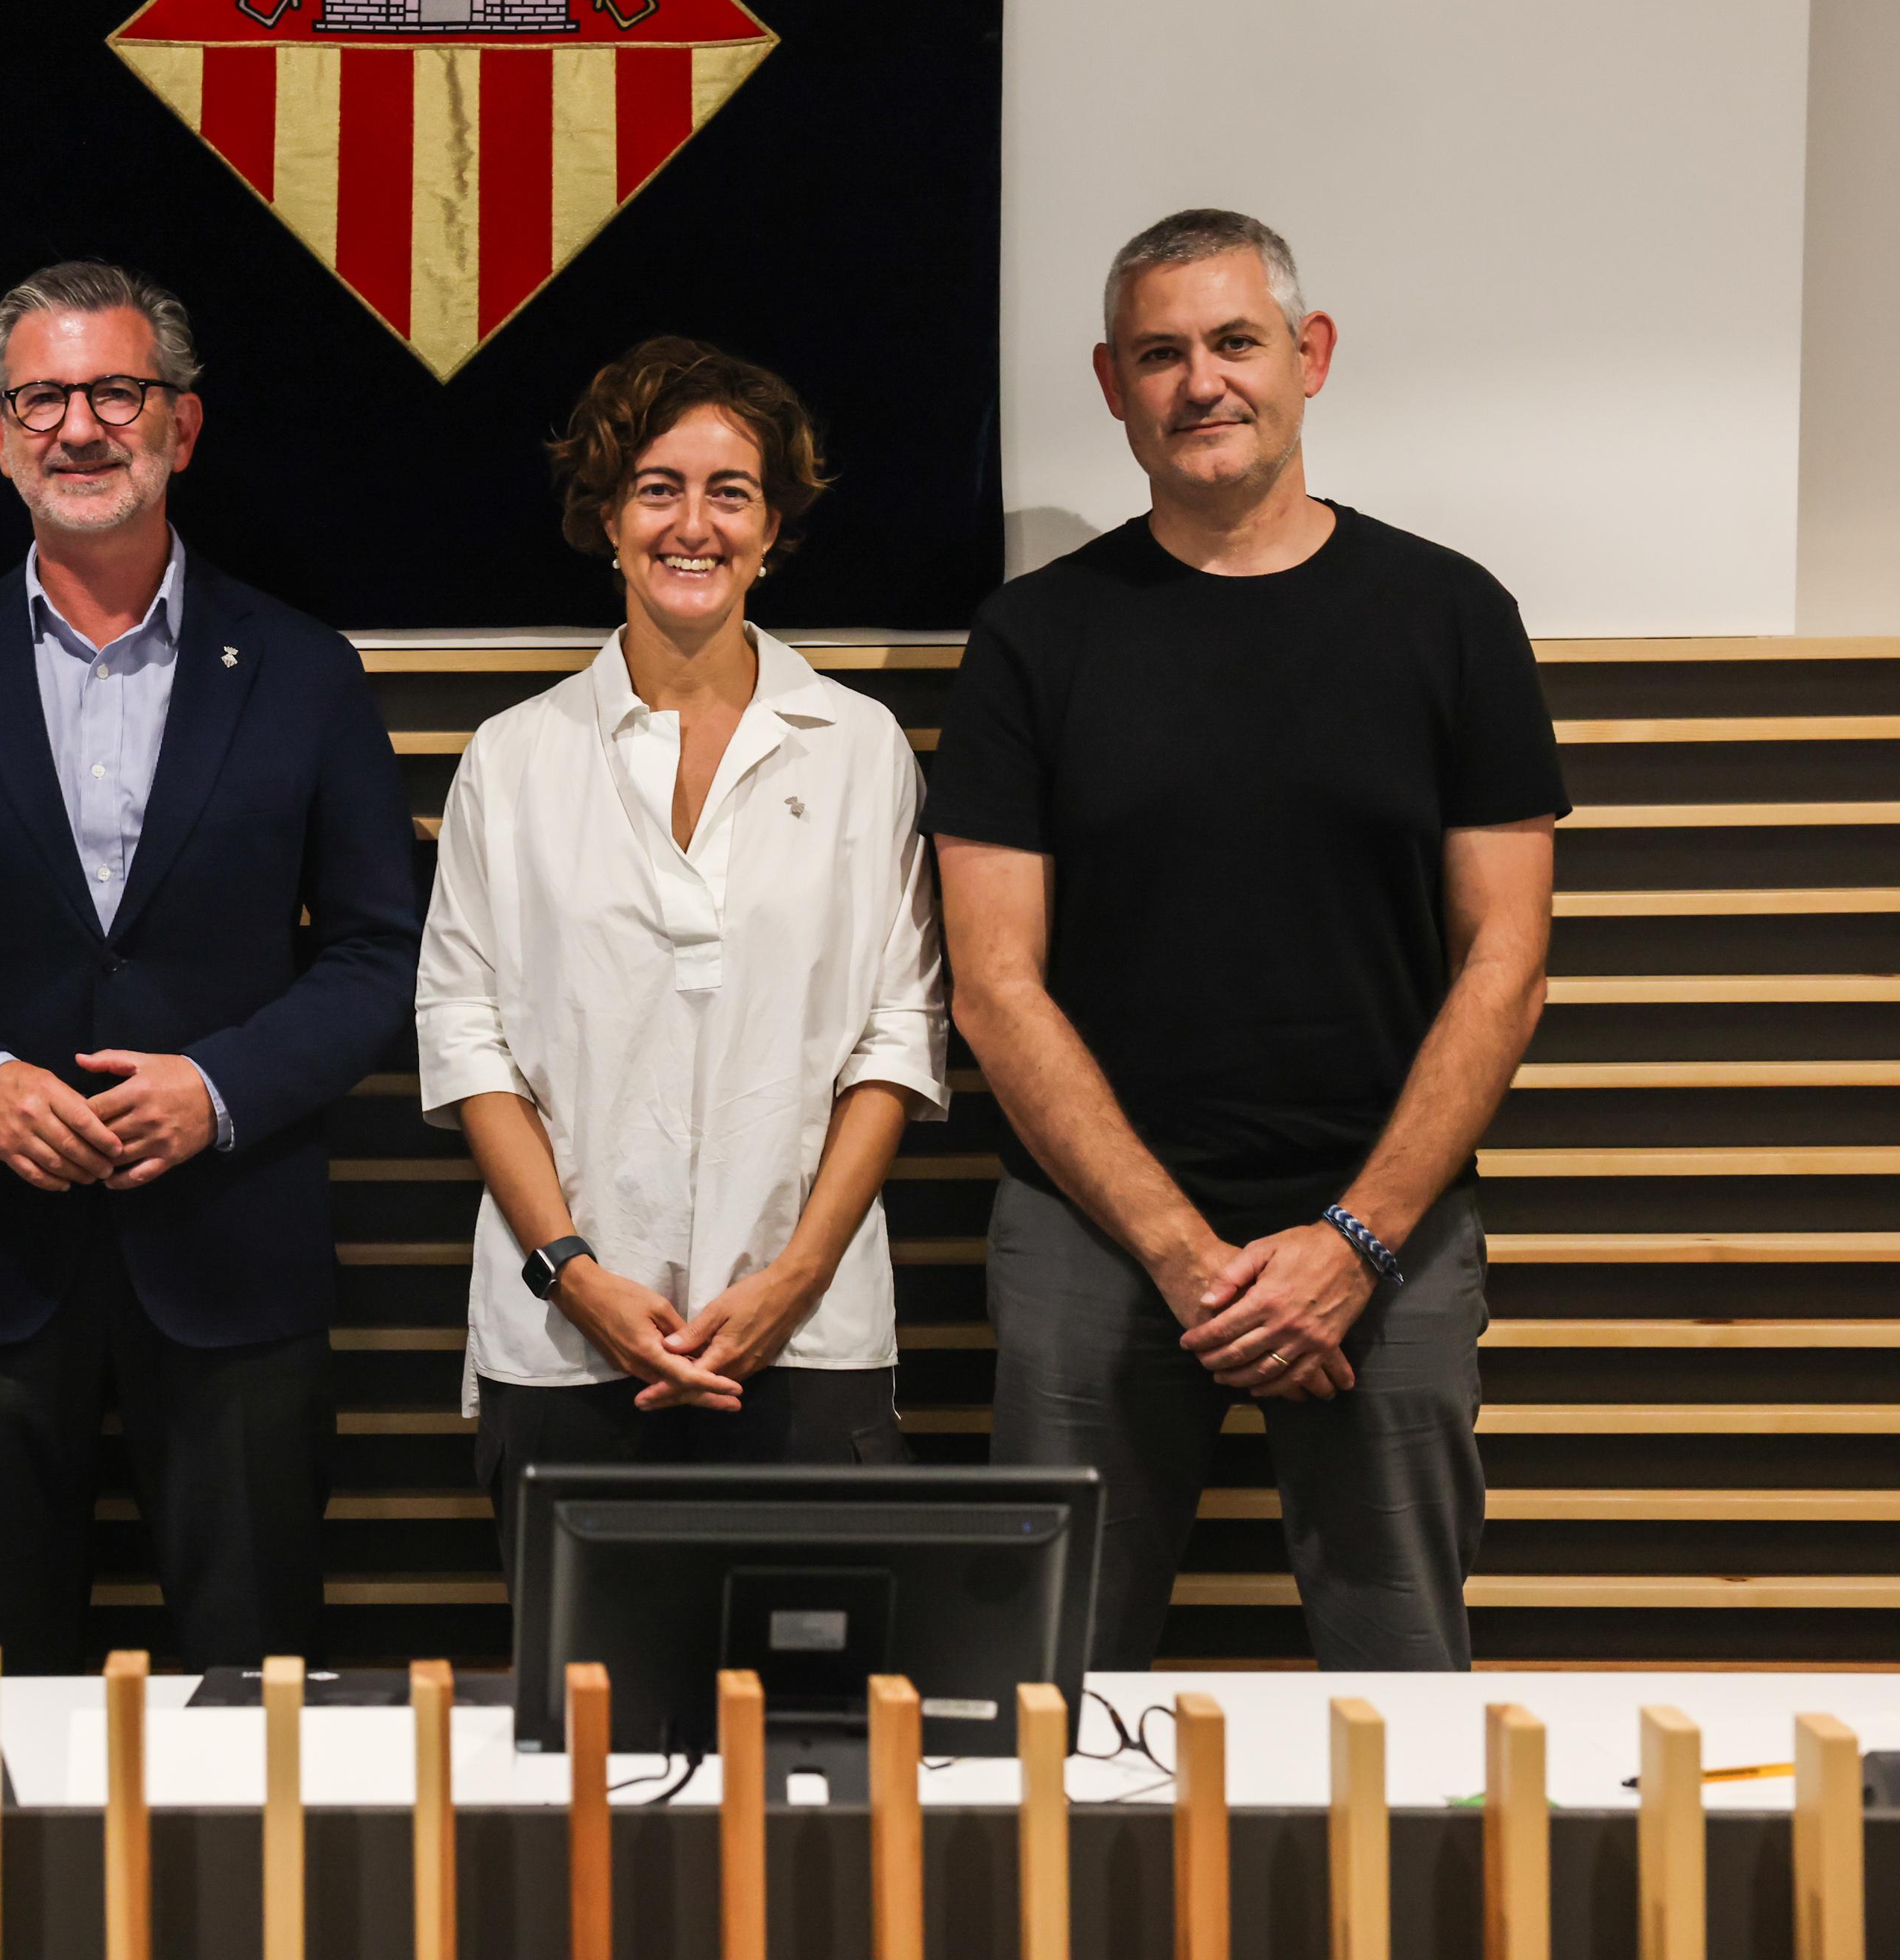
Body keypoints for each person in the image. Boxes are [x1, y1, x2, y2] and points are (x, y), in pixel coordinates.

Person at [925, 209, 1566, 1671]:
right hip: (1091, 1238)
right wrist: (1182, 1252)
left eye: (1233, 342)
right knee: (1052, 1693)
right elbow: (994, 980)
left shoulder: (1453, 616)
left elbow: (1505, 964)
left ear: (1309, 355)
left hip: (1389, 1236)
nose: (1200, 382)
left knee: (1405, 1676)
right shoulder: (1035, 637)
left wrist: (1352, 1240)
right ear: (1112, 385)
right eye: (1161, 354)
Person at [0, 262, 419, 1672]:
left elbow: (382, 952)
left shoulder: (306, 671)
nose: (81, 427)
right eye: (42, 398)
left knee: (255, 1689)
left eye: (115, 393)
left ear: (180, 427)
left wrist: (220, 1087)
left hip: (237, 1251)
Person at [415, 338, 952, 1576]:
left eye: (731, 491)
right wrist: (574, 1275)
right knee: (595, 1739)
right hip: (565, 1342)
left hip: (805, 1341)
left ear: (774, 529)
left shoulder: (859, 748)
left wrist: (793, 1278)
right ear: (607, 518)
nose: (692, 524)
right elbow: (464, 1035)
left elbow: (896, 1032)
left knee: (813, 1735)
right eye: (657, 487)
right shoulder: (514, 756)